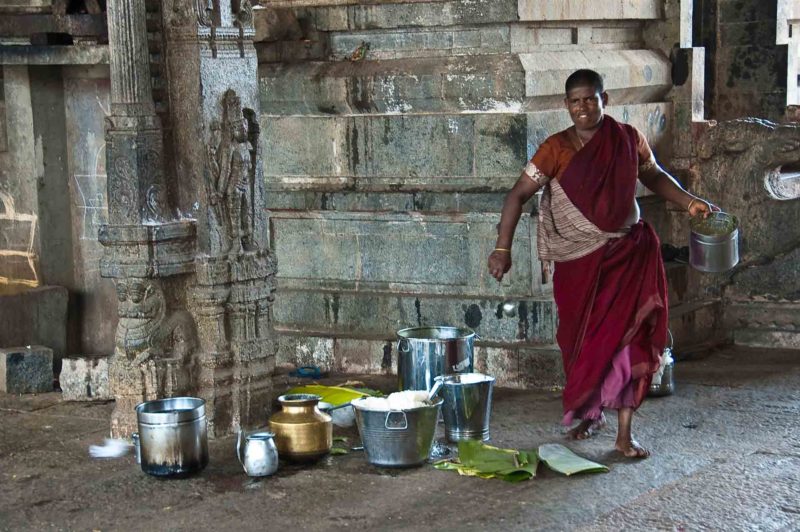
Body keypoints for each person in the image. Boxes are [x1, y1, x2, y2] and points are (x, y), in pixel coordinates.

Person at [487, 69, 716, 458]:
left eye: (590, 99)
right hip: (580, 263)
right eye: (575, 101)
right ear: (566, 105)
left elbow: (654, 176)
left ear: (604, 99)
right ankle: (591, 413)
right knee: (583, 343)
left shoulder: (628, 139)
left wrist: (688, 201)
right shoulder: (555, 148)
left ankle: (625, 434)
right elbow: (517, 195)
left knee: (631, 339)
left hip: (629, 254)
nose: (583, 107)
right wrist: (502, 249)